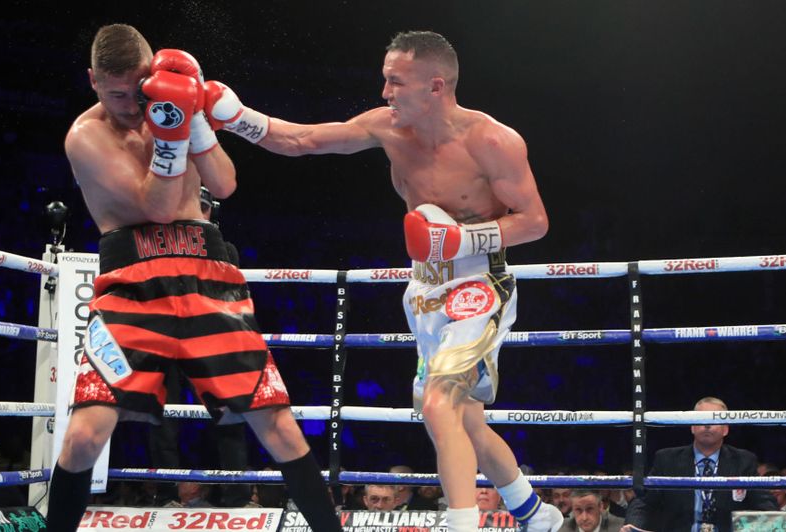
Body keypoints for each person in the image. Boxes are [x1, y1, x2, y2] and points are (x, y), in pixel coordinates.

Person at [202, 30, 560, 531]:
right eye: (385, 79)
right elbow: (302, 140)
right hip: (425, 289)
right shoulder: (388, 128)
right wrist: (235, 116)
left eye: (396, 81)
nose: (385, 92)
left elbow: (535, 221)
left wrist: (461, 240)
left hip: (480, 285)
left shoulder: (491, 141)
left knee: (439, 404)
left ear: (436, 86)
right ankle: (535, 514)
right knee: (465, 422)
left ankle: (461, 525)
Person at [47, 24, 342, 532]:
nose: (131, 105)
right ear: (93, 81)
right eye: (116, 94)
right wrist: (172, 132)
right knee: (84, 436)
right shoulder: (86, 136)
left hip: (209, 277)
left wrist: (195, 121)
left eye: (139, 90)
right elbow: (158, 208)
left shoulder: (171, 103)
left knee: (279, 427)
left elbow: (224, 183)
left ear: (153, 74)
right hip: (132, 287)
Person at [147, 187, 252, 508]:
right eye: (192, 206)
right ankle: (166, 495)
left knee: (229, 418)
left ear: (211, 212)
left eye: (203, 207)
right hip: (166, 341)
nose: (197, 212)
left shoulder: (224, 248)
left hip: (209, 341)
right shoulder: (159, 246)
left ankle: (238, 497)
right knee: (162, 421)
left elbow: (224, 288)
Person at [622, 397, 777, 532]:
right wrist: (632, 526)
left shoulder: (743, 461)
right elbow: (643, 502)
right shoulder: (667, 459)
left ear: (725, 429)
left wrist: (778, 525)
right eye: (701, 419)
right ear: (692, 426)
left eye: (714, 420)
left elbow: (764, 504)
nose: (707, 425)